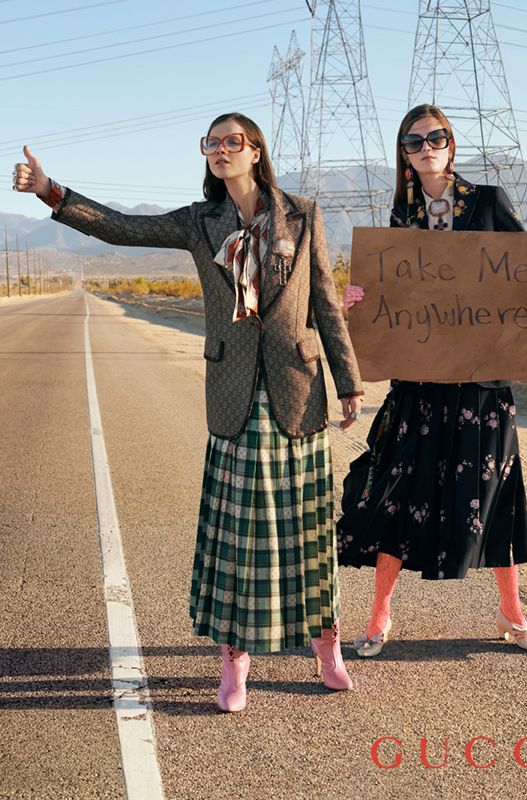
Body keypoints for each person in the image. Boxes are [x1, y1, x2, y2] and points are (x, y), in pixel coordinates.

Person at [13, 112, 364, 711]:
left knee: (305, 527)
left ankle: (324, 641)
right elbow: (122, 228)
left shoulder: (302, 214)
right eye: (212, 143)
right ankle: (234, 659)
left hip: (298, 389)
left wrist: (348, 378)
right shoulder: (201, 223)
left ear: (256, 151)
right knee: (237, 533)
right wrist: (52, 191)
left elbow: (324, 300)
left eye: (233, 142)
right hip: (231, 391)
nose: (221, 150)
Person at [338, 104, 527, 657]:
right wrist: (358, 303)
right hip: (417, 387)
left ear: (452, 143)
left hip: (482, 386)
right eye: (414, 142)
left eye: (435, 137)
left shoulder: (487, 202)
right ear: (405, 156)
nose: (426, 147)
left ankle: (512, 612)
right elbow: (391, 302)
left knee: (494, 494)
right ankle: (379, 616)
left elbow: (526, 276)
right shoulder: (401, 220)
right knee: (398, 489)